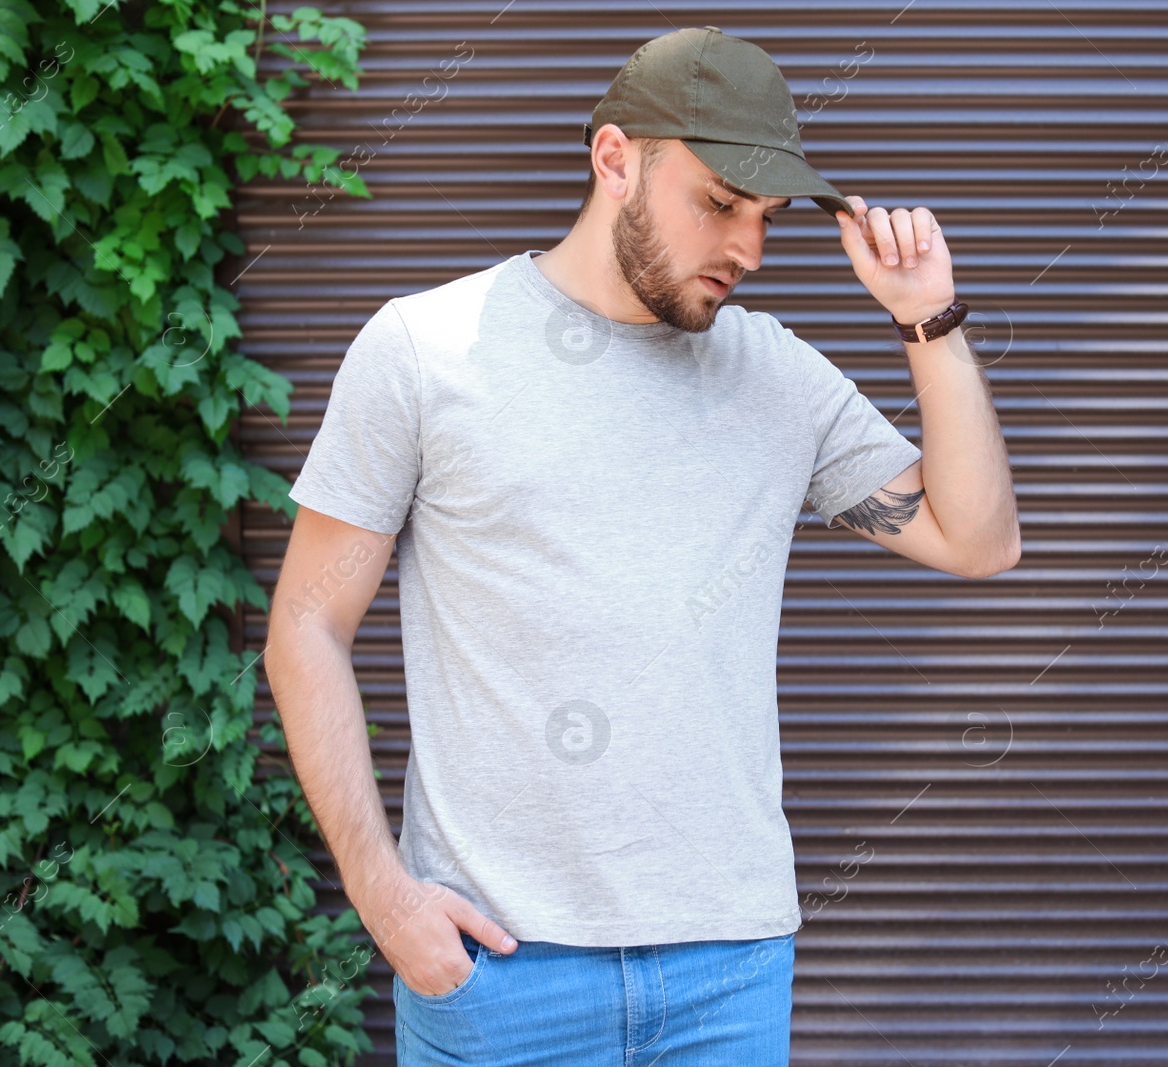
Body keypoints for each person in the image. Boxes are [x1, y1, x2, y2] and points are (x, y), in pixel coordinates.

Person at [264, 25, 1019, 1067]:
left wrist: (927, 316)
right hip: (502, 969)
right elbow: (306, 623)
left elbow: (977, 540)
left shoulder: (775, 375)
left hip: (729, 968)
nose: (747, 249)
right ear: (614, 159)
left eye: (766, 217)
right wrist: (381, 892)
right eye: (719, 202)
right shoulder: (424, 350)